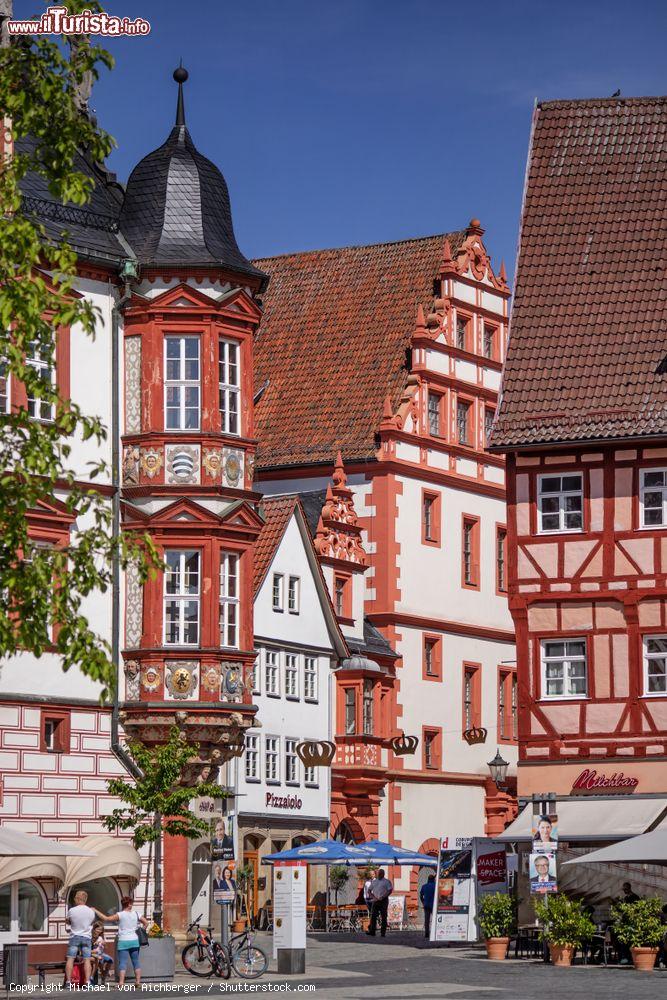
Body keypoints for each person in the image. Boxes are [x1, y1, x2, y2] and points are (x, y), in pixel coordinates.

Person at [104, 895, 149, 987]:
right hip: (134, 940)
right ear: (129, 904)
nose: (132, 905)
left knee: (123, 962)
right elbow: (146, 923)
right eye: (131, 903)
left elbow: (107, 919)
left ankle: (121, 983)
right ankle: (138, 982)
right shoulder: (136, 914)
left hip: (123, 940)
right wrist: (141, 930)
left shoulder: (120, 914)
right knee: (136, 961)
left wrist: (96, 911)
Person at [65, 890, 99, 986]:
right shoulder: (91, 911)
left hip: (74, 937)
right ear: (85, 899)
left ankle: (68, 982)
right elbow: (92, 923)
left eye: (75, 898)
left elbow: (67, 921)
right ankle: (87, 982)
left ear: (77, 899)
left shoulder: (72, 910)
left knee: (70, 959)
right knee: (87, 960)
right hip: (86, 937)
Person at [366, 868, 393, 938]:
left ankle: (383, 932)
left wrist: (383, 896)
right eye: (379, 873)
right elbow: (369, 890)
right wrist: (373, 897)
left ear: (383, 874)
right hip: (375, 900)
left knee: (384, 916)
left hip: (383, 900)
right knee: (373, 916)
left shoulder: (387, 882)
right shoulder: (374, 882)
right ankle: (372, 931)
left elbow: (390, 890)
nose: (379, 874)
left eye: (381, 873)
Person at [420, 874, 436, 939]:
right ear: (433, 879)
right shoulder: (435, 886)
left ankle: (427, 933)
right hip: (434, 905)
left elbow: (421, 896)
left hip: (426, 905)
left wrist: (423, 902)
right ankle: (434, 932)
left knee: (427, 920)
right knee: (435, 919)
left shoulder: (424, 886)